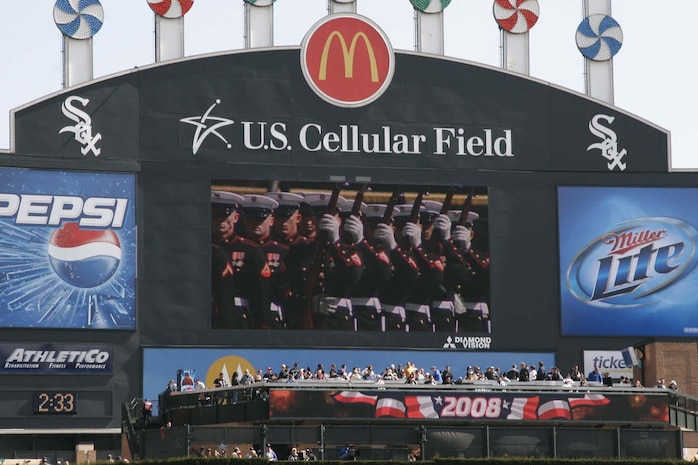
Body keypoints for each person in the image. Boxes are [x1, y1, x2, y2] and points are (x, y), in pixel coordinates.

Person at [211, 190, 269, 329]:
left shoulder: (251, 250)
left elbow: (260, 293)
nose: (221, 221)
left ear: (235, 218)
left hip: (238, 314)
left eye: (225, 216)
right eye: (216, 216)